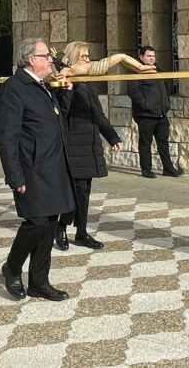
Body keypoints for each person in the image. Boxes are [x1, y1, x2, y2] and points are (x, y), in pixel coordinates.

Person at [0, 37, 75, 302]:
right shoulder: (15, 88)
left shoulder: (43, 86)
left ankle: (39, 281)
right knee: (37, 221)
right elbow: (7, 136)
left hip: (53, 166)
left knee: (50, 222)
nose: (50, 60)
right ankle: (12, 267)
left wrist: (65, 92)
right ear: (32, 59)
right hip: (31, 168)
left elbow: (55, 119)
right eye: (45, 56)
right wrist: (14, 175)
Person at [54, 41, 122, 251]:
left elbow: (98, 114)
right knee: (76, 190)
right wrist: (67, 90)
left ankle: (81, 232)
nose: (88, 60)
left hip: (89, 142)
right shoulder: (63, 80)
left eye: (88, 56)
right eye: (83, 57)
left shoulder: (89, 83)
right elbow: (61, 114)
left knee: (84, 190)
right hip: (73, 143)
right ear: (73, 59)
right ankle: (62, 227)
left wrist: (112, 137)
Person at [126, 45, 184, 178]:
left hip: (161, 114)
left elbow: (165, 88)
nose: (151, 59)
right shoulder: (136, 72)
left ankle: (168, 169)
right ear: (141, 57)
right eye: (148, 56)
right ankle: (146, 170)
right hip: (146, 115)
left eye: (153, 56)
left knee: (163, 142)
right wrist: (146, 105)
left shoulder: (158, 70)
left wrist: (166, 104)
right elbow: (133, 91)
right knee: (145, 143)